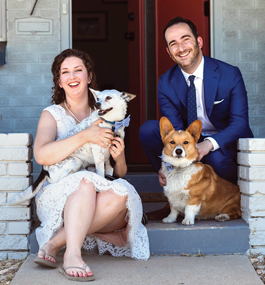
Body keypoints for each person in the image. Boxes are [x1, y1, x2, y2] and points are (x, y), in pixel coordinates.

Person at [33, 49, 150, 281]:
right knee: (85, 182)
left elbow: (120, 174)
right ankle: (73, 255)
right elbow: (42, 156)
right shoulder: (52, 114)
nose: (72, 76)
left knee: (121, 194)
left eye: (78, 70)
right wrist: (85, 135)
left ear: (89, 77)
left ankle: (55, 243)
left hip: (98, 195)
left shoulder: (110, 113)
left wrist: (120, 157)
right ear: (59, 81)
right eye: (65, 72)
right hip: (59, 194)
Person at [139, 17, 253, 218]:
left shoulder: (229, 74)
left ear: (199, 42)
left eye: (186, 39)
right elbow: (174, 128)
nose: (181, 47)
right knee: (148, 130)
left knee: (215, 160)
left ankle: (214, 202)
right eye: (173, 43)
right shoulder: (166, 82)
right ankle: (176, 197)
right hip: (187, 143)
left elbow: (240, 124)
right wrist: (165, 165)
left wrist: (208, 144)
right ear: (168, 51)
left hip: (221, 145)